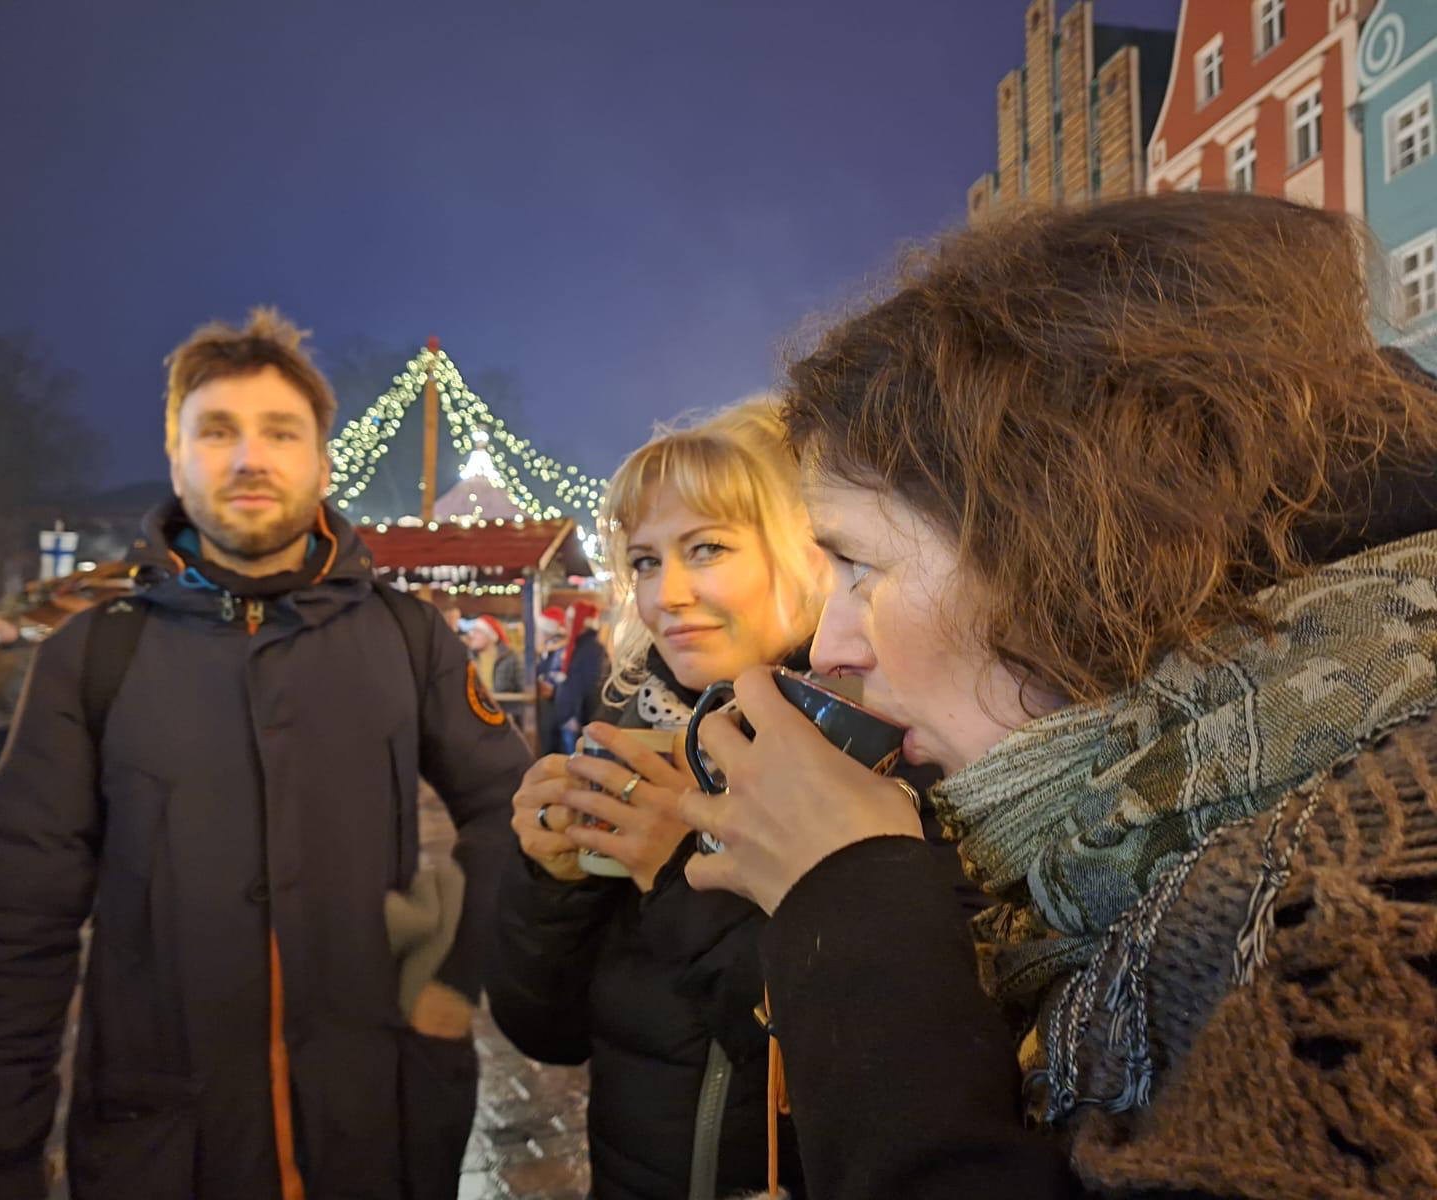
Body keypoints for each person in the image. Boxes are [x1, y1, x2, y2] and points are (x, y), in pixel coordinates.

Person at [680, 193, 1437, 1198]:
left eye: (861, 567)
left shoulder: (1370, 919)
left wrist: (850, 905)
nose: (831, 646)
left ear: (1069, 554)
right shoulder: (1115, 838)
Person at [0, 308, 530, 1200]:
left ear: (322, 463)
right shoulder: (94, 655)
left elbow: (514, 806)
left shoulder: (407, 637)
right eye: (217, 431)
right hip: (165, 1140)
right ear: (176, 459)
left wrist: (454, 974)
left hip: (378, 1118)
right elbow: (18, 914)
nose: (250, 457)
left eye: (280, 432)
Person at [487, 401, 832, 1200]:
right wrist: (552, 882)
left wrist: (678, 871)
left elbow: (857, 1068)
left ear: (810, 551)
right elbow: (547, 1033)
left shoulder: (880, 754)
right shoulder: (632, 732)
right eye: (645, 561)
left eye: (706, 548)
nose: (666, 593)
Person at [551, 599, 610, 755]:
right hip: (568, 718)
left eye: (570, 620)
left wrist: (575, 716)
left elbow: (589, 686)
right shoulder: (579, 647)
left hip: (575, 721)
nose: (566, 624)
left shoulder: (592, 650)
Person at [0, 617, 34, 780]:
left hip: (17, 718)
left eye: (1, 629)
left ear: (14, 628)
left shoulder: (29, 652)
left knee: (16, 768)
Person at [532, 605, 568, 756]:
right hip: (552, 707)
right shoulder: (547, 650)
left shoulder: (559, 650)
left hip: (554, 708)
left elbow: (552, 684)